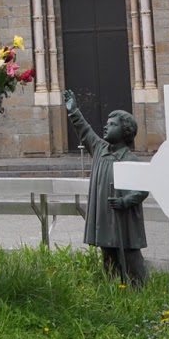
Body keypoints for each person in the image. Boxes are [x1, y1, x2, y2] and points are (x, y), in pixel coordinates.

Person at [63, 89, 148, 286]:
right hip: (106, 217)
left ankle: (138, 290)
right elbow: (84, 130)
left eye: (112, 125)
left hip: (124, 220)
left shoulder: (131, 160)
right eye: (107, 124)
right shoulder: (99, 149)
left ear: (125, 130)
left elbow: (142, 189)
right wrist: (73, 110)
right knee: (108, 255)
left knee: (131, 257)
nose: (106, 127)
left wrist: (126, 201)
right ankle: (112, 288)